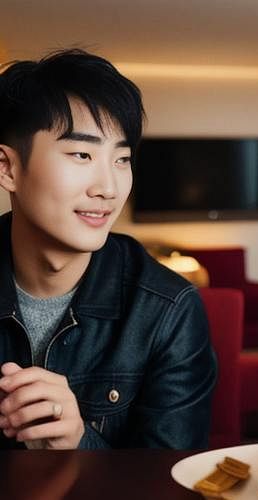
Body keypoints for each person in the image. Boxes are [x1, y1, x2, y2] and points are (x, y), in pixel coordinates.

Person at [0, 49, 217, 449]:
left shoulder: (167, 310)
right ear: (7, 168)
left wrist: (80, 445)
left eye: (122, 159)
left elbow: (169, 482)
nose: (109, 188)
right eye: (82, 154)